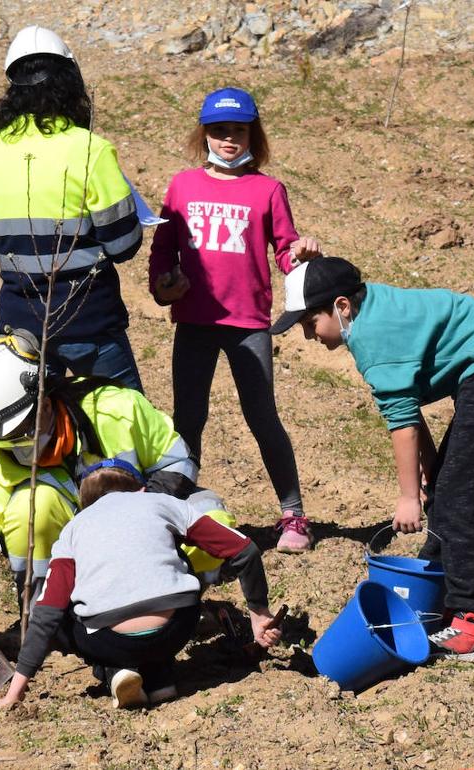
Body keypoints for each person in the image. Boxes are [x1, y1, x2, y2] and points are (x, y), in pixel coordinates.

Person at [270, 256, 474, 662]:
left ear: (342, 306)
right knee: (448, 491)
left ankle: (472, 622)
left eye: (310, 323)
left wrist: (408, 498)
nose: (310, 336)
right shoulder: (372, 312)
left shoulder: (371, 336)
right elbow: (411, 410)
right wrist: (430, 472)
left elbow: (401, 423)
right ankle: (437, 605)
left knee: (459, 500)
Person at [0, 329, 198, 661]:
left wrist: (140, 511)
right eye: (9, 444)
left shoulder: (114, 409)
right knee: (29, 507)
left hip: (144, 540)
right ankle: (45, 621)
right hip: (72, 563)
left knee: (211, 514)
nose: (21, 452)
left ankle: (176, 608)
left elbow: (180, 461)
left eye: (23, 436)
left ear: (46, 405)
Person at [148, 86, 322, 554]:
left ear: (253, 136)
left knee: (262, 415)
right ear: (204, 133)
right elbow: (163, 249)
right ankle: (177, 513)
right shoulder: (182, 185)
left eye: (239, 131)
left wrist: (300, 258)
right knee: (188, 419)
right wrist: (163, 285)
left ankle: (294, 516)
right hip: (195, 322)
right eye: (220, 130)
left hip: (247, 323)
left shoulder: (268, 190)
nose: (229, 139)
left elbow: (285, 252)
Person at [0, 461, 282, 709]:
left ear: (83, 506)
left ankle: (113, 669)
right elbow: (245, 550)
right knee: (179, 564)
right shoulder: (161, 502)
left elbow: (47, 613)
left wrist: (13, 693)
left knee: (62, 607)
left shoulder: (74, 528)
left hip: (109, 641)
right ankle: (159, 675)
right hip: (176, 630)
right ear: (141, 490)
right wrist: (258, 612)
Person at [0, 25, 144, 390]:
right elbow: (124, 245)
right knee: (126, 426)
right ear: (71, 82)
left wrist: (8, 254)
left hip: (20, 322)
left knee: (35, 436)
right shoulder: (91, 149)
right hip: (91, 322)